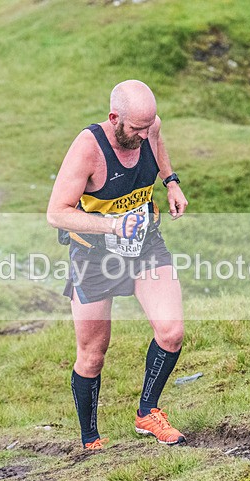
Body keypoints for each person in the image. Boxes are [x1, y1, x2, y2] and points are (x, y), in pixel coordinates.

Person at [46, 80, 189, 450]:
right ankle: (90, 438)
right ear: (115, 118)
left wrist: (171, 182)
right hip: (94, 256)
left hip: (145, 245)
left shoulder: (149, 127)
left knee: (171, 331)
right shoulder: (88, 149)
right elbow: (56, 213)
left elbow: (157, 145)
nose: (146, 134)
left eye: (150, 125)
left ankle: (147, 414)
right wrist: (113, 224)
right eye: (137, 129)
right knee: (93, 354)